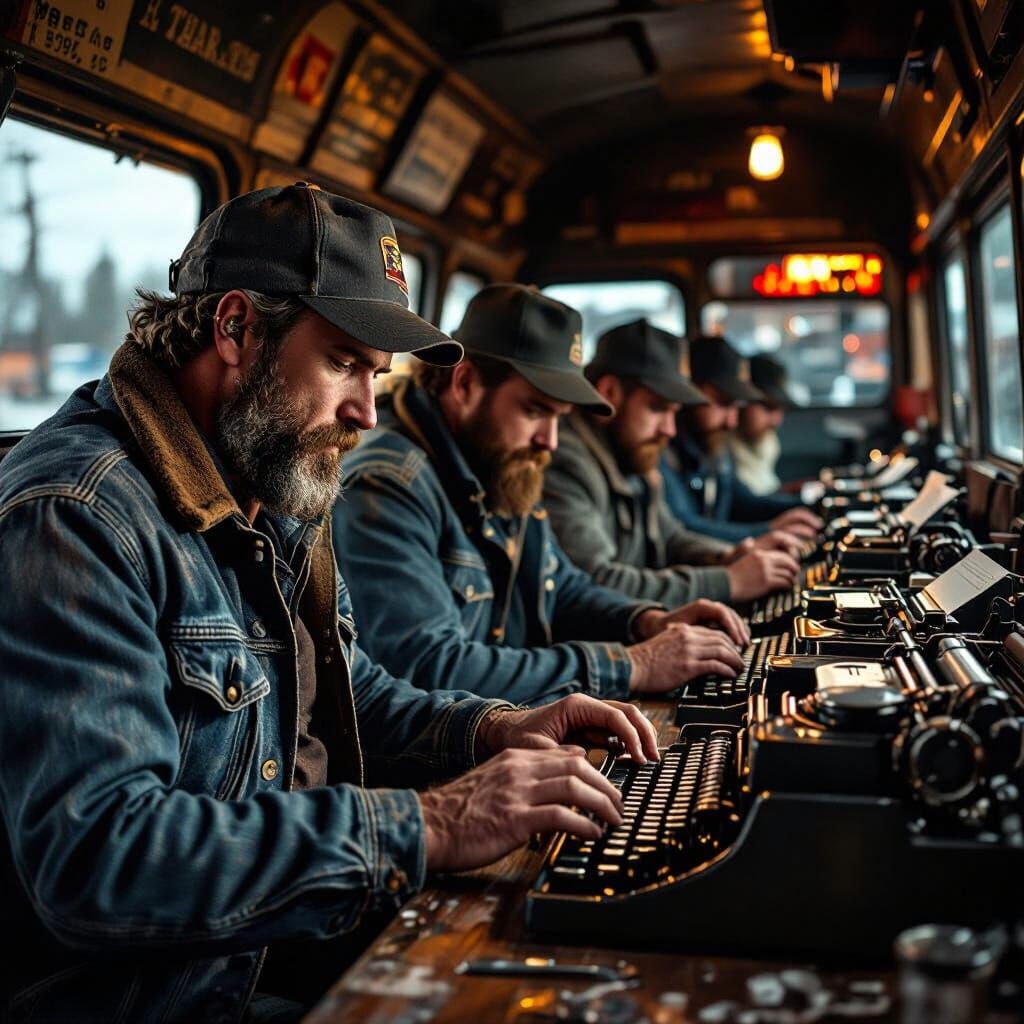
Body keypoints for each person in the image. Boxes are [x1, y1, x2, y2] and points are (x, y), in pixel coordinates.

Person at [0, 185, 660, 1024]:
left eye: (377, 375)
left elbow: (350, 691)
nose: (367, 412)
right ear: (235, 328)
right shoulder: (77, 517)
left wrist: (493, 728)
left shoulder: (268, 479)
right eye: (344, 362)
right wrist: (431, 822)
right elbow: (100, 861)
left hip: (273, 949)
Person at [333, 285, 750, 708]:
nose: (549, 441)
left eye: (559, 418)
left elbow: (561, 588)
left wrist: (644, 621)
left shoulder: (501, 460)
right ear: (466, 383)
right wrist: (632, 665)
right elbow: (429, 668)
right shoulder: (389, 483)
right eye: (534, 411)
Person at [543, 319, 802, 608]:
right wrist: (730, 581)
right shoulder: (565, 461)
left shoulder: (630, 452)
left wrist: (728, 556)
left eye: (674, 412)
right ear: (609, 392)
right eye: (657, 408)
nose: (669, 429)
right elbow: (596, 581)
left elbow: (670, 537)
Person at [661, 334, 823, 545]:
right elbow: (684, 528)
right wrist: (767, 531)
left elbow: (742, 502)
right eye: (723, 403)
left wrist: (814, 506)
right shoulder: (665, 454)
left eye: (737, 406)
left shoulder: (712, 448)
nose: (731, 422)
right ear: (689, 390)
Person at [728, 354, 793, 496]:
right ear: (742, 402)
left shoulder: (766, 443)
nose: (776, 421)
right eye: (768, 407)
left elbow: (765, 492)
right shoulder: (723, 451)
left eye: (780, 409)